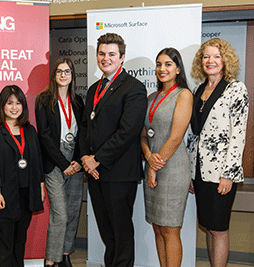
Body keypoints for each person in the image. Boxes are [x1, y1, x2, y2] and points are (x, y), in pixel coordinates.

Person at [79, 33, 147, 267]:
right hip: (95, 173)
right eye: (101, 54)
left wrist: (97, 159)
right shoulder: (93, 89)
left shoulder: (134, 88)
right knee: (107, 232)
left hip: (119, 173)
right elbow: (85, 127)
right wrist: (85, 159)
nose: (105, 58)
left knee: (121, 233)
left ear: (122, 57)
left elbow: (128, 132)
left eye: (111, 54)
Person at [188, 38, 249, 267]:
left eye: (216, 56)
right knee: (209, 226)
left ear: (225, 60)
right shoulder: (198, 89)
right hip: (200, 170)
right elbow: (194, 134)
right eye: (206, 56)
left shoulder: (235, 89)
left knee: (219, 228)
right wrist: (191, 172)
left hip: (222, 172)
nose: (210, 61)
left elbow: (238, 135)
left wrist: (229, 174)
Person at [140, 48, 193, 267]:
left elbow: (176, 137)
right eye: (159, 64)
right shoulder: (151, 97)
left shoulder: (184, 95)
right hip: (153, 165)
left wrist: (154, 166)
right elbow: (143, 135)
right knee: (157, 226)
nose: (162, 69)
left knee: (170, 229)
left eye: (168, 64)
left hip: (173, 170)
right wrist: (148, 156)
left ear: (178, 68)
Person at [0, 85, 45, 267]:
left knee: (19, 243)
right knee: (4, 244)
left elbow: (37, 161)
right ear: (2, 105)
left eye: (18, 103)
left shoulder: (30, 131)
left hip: (26, 195)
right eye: (9, 103)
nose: (14, 107)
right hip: (4, 194)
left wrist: (41, 187)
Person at [35, 58, 84, 267]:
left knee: (73, 212)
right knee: (60, 214)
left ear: (73, 75)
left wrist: (77, 161)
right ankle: (51, 259)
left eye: (67, 71)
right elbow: (44, 136)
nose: (63, 75)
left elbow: (84, 133)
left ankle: (64, 255)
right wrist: (64, 163)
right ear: (54, 75)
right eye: (59, 72)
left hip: (75, 160)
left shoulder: (78, 101)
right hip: (55, 161)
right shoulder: (44, 100)